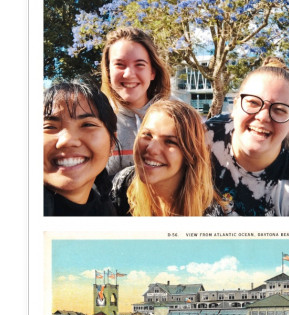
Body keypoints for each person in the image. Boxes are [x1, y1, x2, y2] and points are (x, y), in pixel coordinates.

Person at [206, 57, 289, 216]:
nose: (263, 117)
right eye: (253, 103)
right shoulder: (202, 137)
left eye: (279, 109)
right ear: (235, 106)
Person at [111, 100, 223, 216]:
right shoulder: (122, 184)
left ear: (190, 154)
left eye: (170, 142)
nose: (151, 149)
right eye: (147, 135)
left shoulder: (208, 213)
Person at [101, 27, 171, 177]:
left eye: (139, 64)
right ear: (108, 71)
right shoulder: (96, 121)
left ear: (152, 72)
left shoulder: (176, 118)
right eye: (120, 64)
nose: (129, 74)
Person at [43, 78, 118, 216]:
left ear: (112, 143)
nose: (67, 141)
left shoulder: (106, 212)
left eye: (87, 125)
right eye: (49, 127)